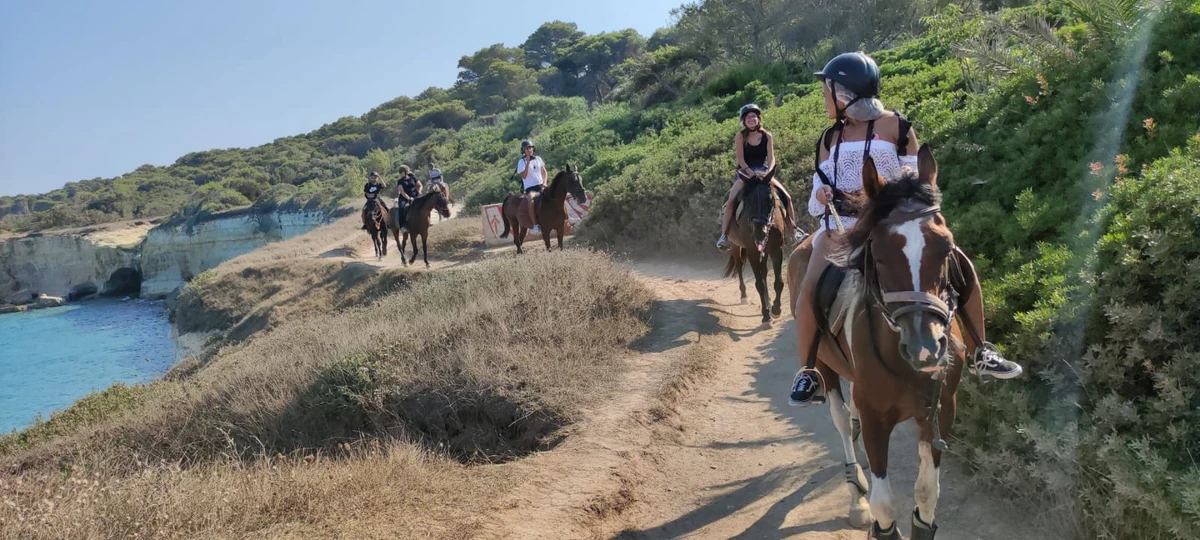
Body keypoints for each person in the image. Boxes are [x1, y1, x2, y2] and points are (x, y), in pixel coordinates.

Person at [788, 52, 1023, 406]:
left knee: (961, 265)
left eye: (827, 91)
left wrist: (890, 208)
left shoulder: (897, 127)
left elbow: (916, 183)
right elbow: (813, 198)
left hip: (893, 225)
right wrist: (820, 195)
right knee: (808, 288)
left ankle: (980, 351)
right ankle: (808, 371)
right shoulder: (827, 139)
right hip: (841, 227)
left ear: (845, 94)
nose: (824, 98)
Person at [717, 104, 800, 251]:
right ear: (744, 120)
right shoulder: (740, 136)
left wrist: (769, 170)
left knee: (786, 197)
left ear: (758, 118)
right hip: (745, 174)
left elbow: (772, 158)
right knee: (731, 200)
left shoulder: (767, 136)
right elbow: (740, 159)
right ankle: (724, 235)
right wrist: (750, 172)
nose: (751, 119)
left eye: (753, 116)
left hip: (763, 173)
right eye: (748, 117)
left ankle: (794, 232)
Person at [516, 140, 547, 234]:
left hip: (541, 185)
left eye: (530, 148)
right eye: (527, 148)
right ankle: (535, 225)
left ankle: (564, 216)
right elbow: (524, 176)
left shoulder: (538, 159)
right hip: (531, 188)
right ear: (523, 151)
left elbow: (544, 172)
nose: (529, 150)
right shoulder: (521, 162)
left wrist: (545, 182)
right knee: (530, 199)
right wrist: (528, 163)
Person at [394, 165, 422, 233]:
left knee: (424, 204)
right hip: (404, 198)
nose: (400, 174)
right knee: (401, 208)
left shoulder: (413, 177)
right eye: (400, 172)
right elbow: (402, 191)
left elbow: (420, 185)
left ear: (406, 172)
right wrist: (409, 198)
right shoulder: (400, 181)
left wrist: (419, 191)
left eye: (401, 172)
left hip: (415, 195)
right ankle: (402, 225)